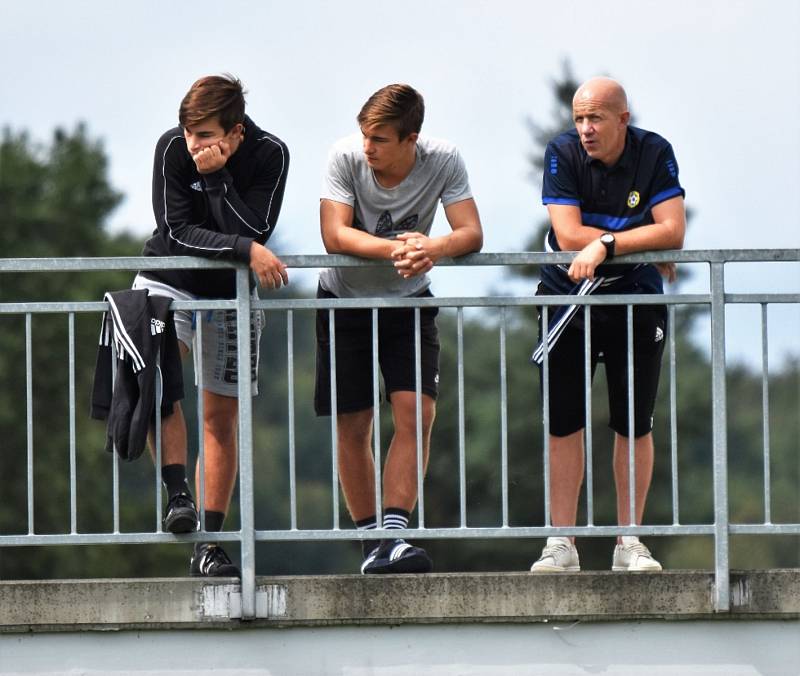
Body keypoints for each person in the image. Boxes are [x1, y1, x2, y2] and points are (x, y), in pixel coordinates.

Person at [316, 83, 483, 574]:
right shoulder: (344, 156)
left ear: (412, 139)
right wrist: (398, 249)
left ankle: (394, 534)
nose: (367, 147)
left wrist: (435, 248)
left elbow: (471, 231)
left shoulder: (445, 159)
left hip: (409, 301)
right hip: (343, 299)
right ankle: (373, 545)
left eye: (380, 139)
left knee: (416, 413)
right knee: (354, 423)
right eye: (365, 134)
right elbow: (334, 234)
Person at [134, 74, 289, 576]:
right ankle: (179, 495)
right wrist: (246, 251)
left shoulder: (271, 155)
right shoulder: (170, 149)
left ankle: (210, 544)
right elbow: (177, 234)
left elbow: (254, 227)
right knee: (156, 378)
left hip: (229, 293)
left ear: (236, 132)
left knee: (220, 419)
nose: (192, 144)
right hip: (168, 277)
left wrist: (220, 181)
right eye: (188, 132)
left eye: (204, 135)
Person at [530, 77, 685, 573]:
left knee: (634, 422)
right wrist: (637, 240)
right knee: (563, 421)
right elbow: (569, 233)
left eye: (595, 118)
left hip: (635, 298)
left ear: (623, 118)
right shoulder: (562, 152)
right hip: (567, 299)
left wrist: (610, 247)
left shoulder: (655, 150)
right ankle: (561, 543)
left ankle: (629, 542)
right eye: (578, 119)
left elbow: (675, 232)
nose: (585, 129)